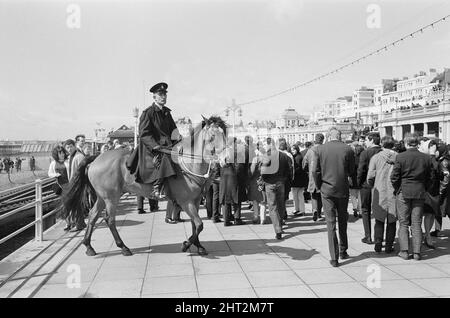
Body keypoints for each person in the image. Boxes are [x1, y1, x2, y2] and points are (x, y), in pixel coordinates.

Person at [126, 82, 181, 198]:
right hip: (151, 147)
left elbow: (173, 130)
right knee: (165, 156)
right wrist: (155, 146)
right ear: (154, 97)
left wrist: (179, 138)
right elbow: (144, 133)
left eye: (165, 94)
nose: (163, 97)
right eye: (160, 94)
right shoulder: (148, 112)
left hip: (166, 145)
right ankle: (158, 187)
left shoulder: (167, 112)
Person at [313, 127, 355, 267]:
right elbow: (351, 170)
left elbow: (315, 171)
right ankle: (343, 250)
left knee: (330, 223)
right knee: (343, 220)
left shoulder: (320, 150)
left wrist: (319, 186)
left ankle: (334, 257)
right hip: (342, 188)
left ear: (329, 136)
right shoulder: (348, 149)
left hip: (327, 189)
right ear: (340, 136)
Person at [391, 133, 434, 261]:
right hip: (419, 191)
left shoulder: (400, 157)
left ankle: (404, 251)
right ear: (417, 143)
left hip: (403, 191)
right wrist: (425, 188)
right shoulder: (426, 158)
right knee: (416, 223)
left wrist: (397, 188)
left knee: (403, 222)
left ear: (406, 143)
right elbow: (431, 177)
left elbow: (394, 177)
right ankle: (417, 252)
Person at [367, 136, 397, 254]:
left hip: (379, 190)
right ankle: (389, 245)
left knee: (379, 220)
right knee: (392, 220)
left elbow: (370, 176)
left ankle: (378, 243)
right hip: (393, 191)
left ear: (382, 144)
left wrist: (372, 185)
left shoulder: (376, 157)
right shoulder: (398, 157)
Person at [261, 138, 292, 240]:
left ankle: (278, 229)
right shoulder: (284, 156)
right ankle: (280, 224)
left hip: (270, 184)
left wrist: (265, 180)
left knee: (273, 207)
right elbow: (289, 170)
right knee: (280, 205)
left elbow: (263, 171)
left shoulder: (266, 156)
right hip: (281, 183)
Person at [357, 132, 382, 245]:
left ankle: (368, 236)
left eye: (367, 140)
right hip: (380, 185)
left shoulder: (365, 153)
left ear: (371, 140)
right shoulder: (383, 152)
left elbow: (361, 170)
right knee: (379, 210)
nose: (366, 142)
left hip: (366, 185)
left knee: (365, 210)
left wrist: (358, 183)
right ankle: (378, 237)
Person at [421, 140, 443, 249]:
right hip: (427, 190)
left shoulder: (433, 159)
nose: (434, 149)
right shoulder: (427, 158)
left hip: (433, 190)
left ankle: (426, 234)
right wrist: (433, 155)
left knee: (431, 214)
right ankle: (426, 235)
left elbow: (439, 173)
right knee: (427, 214)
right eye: (432, 147)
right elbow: (435, 169)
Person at [219, 138, 244, 226]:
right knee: (236, 198)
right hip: (233, 176)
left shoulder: (222, 153)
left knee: (225, 199)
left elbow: (217, 166)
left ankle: (226, 220)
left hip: (223, 176)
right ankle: (237, 218)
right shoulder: (236, 153)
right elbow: (239, 167)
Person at [64, 139, 87, 232]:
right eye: (67, 147)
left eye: (71, 147)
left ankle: (79, 224)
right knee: (76, 204)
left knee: (76, 204)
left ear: (74, 146)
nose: (69, 149)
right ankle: (78, 223)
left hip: (78, 183)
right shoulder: (71, 156)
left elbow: (83, 171)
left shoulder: (79, 156)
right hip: (73, 183)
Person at [48, 145, 71, 230]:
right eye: (59, 153)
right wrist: (55, 175)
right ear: (56, 154)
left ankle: (72, 221)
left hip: (70, 185)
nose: (61, 154)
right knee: (65, 205)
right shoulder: (53, 163)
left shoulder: (68, 161)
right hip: (62, 186)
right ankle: (68, 223)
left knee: (70, 204)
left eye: (62, 153)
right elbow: (49, 173)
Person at [303, 134, 324, 221]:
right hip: (323, 176)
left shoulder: (310, 151)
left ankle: (315, 210)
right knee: (321, 196)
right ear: (322, 140)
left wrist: (307, 170)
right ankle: (319, 212)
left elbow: (304, 163)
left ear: (315, 140)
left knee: (314, 195)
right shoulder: (324, 149)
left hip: (312, 175)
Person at [248, 141, 267, 224]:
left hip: (255, 181)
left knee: (255, 200)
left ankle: (256, 216)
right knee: (263, 200)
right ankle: (263, 218)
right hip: (264, 181)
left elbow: (251, 171)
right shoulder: (267, 159)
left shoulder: (255, 159)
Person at [434, 144, 450, 236]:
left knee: (438, 210)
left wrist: (440, 191)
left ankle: (437, 230)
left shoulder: (443, 161)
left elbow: (446, 179)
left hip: (444, 192)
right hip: (448, 190)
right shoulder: (446, 160)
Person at [291, 144, 308, 216]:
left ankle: (298, 209)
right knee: (299, 195)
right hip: (301, 179)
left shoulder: (297, 158)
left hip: (297, 180)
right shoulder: (300, 156)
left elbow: (297, 169)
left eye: (294, 149)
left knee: (296, 196)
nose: (292, 151)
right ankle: (301, 210)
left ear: (297, 149)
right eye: (292, 150)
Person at [349, 141, 364, 218]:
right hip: (361, 179)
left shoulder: (353, 159)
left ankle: (355, 207)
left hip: (353, 178)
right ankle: (360, 211)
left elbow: (350, 170)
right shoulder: (363, 159)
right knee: (360, 196)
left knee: (353, 195)